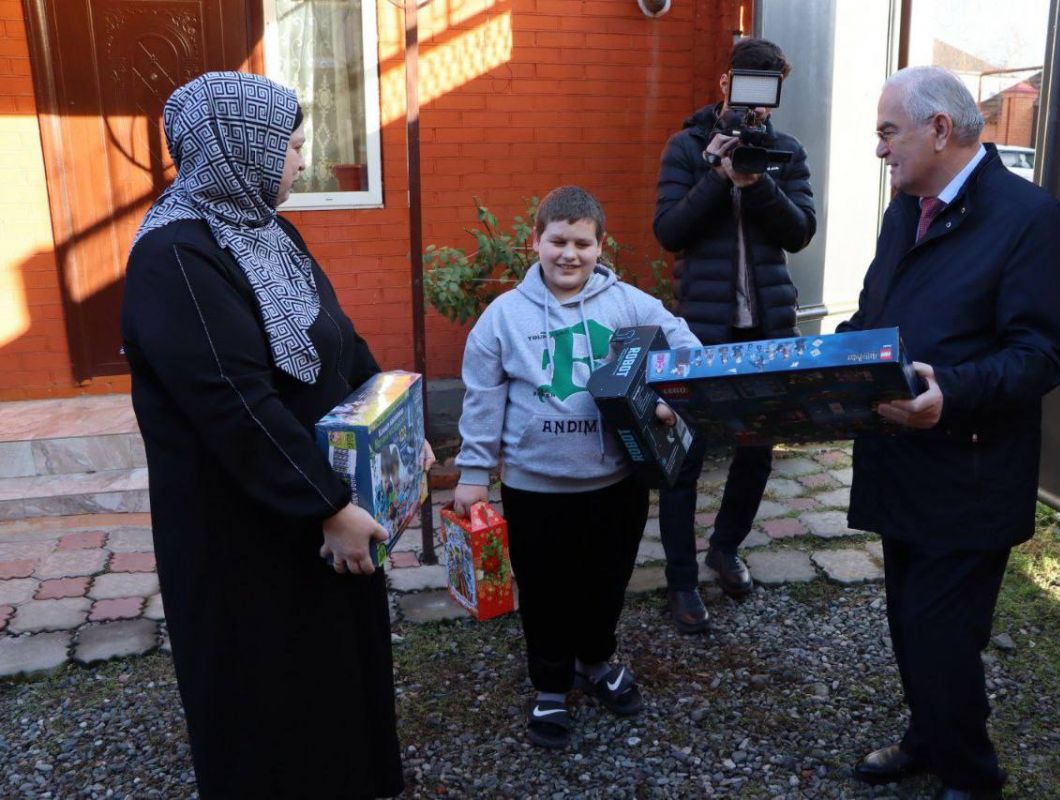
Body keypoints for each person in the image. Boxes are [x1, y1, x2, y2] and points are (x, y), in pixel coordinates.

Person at [122, 71, 433, 798]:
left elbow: (339, 339)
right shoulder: (175, 256)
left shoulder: (269, 230)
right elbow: (235, 405)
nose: (301, 160)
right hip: (247, 532)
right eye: (290, 146)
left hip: (310, 509)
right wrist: (329, 505)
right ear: (240, 147)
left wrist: (399, 422)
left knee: (334, 676)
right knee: (269, 694)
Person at [841, 66, 1060, 800]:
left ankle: (972, 777)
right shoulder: (903, 211)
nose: (880, 148)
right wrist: (816, 369)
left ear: (940, 129)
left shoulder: (1031, 219)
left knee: (940, 632)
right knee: (908, 624)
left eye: (889, 132)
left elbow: (1041, 356)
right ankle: (927, 739)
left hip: (971, 473)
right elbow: (874, 319)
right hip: (899, 460)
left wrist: (955, 393)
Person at [452, 186, 700, 749]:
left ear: (600, 245)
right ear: (535, 241)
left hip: (614, 484)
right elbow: (482, 398)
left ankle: (597, 660)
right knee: (544, 591)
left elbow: (685, 349)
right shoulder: (502, 318)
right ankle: (550, 685)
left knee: (606, 582)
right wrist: (473, 473)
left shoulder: (629, 305)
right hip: (533, 488)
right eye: (558, 241)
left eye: (582, 244)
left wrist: (670, 398)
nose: (569, 254)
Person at [652, 37, 817, 632]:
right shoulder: (686, 146)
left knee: (756, 451)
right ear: (725, 84)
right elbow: (669, 231)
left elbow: (800, 232)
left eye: (768, 93)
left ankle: (725, 548)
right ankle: (680, 579)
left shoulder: (785, 152)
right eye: (747, 87)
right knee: (684, 459)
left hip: (766, 327)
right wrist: (718, 176)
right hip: (701, 330)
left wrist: (757, 182)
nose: (756, 105)